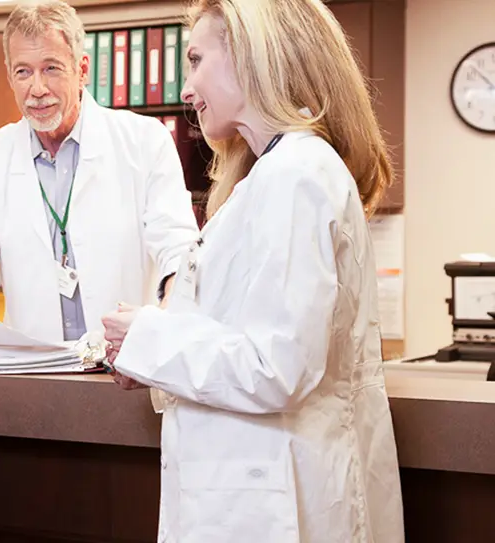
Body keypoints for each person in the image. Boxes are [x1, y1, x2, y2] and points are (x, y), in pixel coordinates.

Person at [101, 0, 405, 541]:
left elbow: (276, 367)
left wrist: (149, 338)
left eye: (195, 60)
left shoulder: (299, 176)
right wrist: (147, 356)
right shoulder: (271, 177)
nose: (187, 88)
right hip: (253, 496)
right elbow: (233, 336)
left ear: (250, 55)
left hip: (277, 507)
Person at [0, 0, 200, 359]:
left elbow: (178, 249)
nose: (37, 88)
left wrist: (167, 317)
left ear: (82, 69)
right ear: (9, 75)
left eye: (52, 68)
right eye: (23, 72)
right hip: (34, 370)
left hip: (129, 363)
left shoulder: (145, 141)